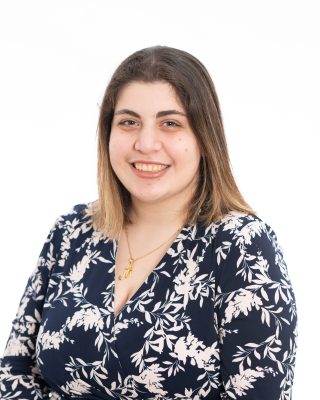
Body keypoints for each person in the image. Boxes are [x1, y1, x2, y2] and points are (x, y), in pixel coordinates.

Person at [0, 46, 297, 400]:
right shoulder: (72, 232)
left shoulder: (242, 247)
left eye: (170, 123)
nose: (146, 143)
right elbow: (14, 372)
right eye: (129, 122)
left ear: (204, 138)